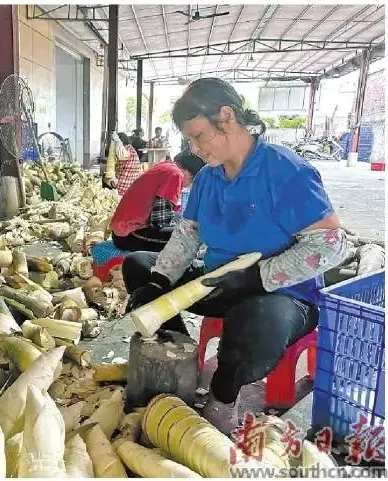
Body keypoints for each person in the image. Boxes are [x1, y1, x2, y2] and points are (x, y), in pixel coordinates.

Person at [123, 78, 347, 434]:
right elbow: (187, 236)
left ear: (226, 117)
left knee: (254, 315)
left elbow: (331, 244)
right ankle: (181, 356)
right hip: (220, 283)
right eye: (189, 140)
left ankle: (223, 395)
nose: (194, 149)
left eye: (198, 136)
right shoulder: (209, 179)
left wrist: (257, 276)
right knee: (137, 264)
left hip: (281, 296)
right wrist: (158, 282)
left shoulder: (285, 170)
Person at [110, 150, 204, 252]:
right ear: (188, 173)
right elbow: (160, 222)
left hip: (123, 228)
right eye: (193, 182)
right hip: (128, 234)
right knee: (190, 239)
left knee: (183, 222)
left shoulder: (166, 166)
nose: (189, 186)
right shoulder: (175, 174)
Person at [103, 132, 142, 197]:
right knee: (107, 177)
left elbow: (121, 153)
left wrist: (116, 140)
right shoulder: (131, 149)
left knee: (105, 180)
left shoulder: (126, 149)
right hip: (131, 185)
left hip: (124, 187)